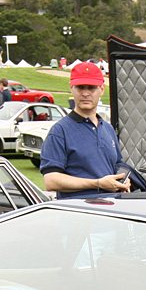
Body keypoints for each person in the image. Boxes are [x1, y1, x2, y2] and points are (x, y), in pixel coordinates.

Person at [39, 62, 130, 198]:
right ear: (71, 88)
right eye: (80, 87)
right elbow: (51, 181)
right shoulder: (60, 131)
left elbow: (117, 164)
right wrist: (97, 184)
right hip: (80, 214)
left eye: (91, 88)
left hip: (111, 212)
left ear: (102, 90)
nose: (85, 93)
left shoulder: (108, 128)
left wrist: (124, 180)